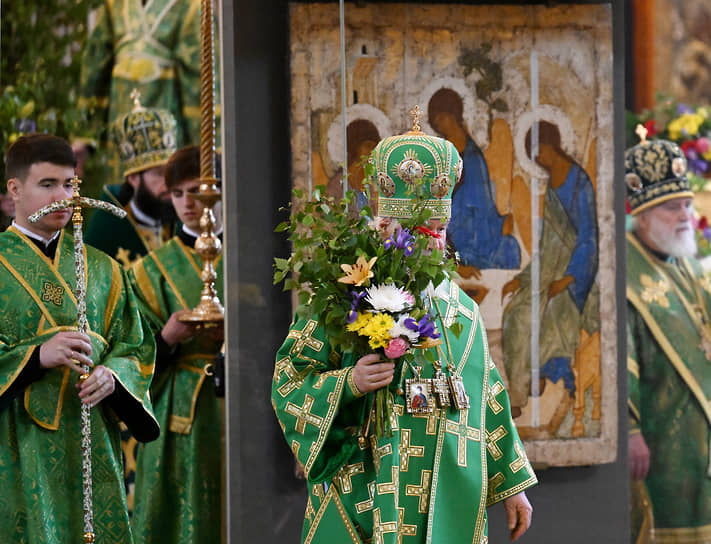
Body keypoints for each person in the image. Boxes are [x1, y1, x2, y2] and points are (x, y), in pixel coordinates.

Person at [272, 124, 536, 543]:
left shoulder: (461, 308)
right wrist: (350, 382)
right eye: (416, 230)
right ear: (384, 223)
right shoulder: (347, 294)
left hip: (452, 489)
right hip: (370, 485)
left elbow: (488, 394)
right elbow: (290, 379)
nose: (430, 240)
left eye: (437, 227)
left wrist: (513, 487)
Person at [0, 134, 158, 542]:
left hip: (94, 446)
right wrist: (36, 357)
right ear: (14, 190)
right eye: (48, 184)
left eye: (70, 184)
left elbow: (135, 345)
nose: (63, 195)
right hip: (18, 447)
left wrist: (115, 375)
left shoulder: (103, 268)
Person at [128, 145, 224, 543]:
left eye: (201, 190)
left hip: (247, 402)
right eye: (180, 193)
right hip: (179, 411)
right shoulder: (150, 270)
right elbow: (128, 351)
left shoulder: (252, 256)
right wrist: (165, 338)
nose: (190, 203)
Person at [626, 136, 711, 542]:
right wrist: (630, 430)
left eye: (687, 205)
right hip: (662, 437)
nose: (684, 215)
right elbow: (620, 361)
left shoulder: (689, 267)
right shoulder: (624, 274)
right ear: (642, 215)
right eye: (671, 207)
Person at [501, 121, 599, 428]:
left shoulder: (579, 182)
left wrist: (569, 279)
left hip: (578, 276)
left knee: (553, 314)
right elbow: (545, 246)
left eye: (540, 151)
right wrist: (523, 278)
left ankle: (540, 374)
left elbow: (589, 239)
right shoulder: (552, 188)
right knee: (516, 314)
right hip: (549, 273)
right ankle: (516, 396)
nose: (539, 159)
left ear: (552, 144)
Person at [79, 0, 202, 149]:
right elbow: (97, 65)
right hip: (121, 111)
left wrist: (205, 144)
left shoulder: (189, 5)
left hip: (165, 111)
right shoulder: (113, 4)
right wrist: (87, 134)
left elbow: (197, 76)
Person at [85, 95, 178, 267]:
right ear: (134, 178)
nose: (169, 183)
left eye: (172, 172)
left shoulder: (183, 219)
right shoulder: (105, 230)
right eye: (159, 174)